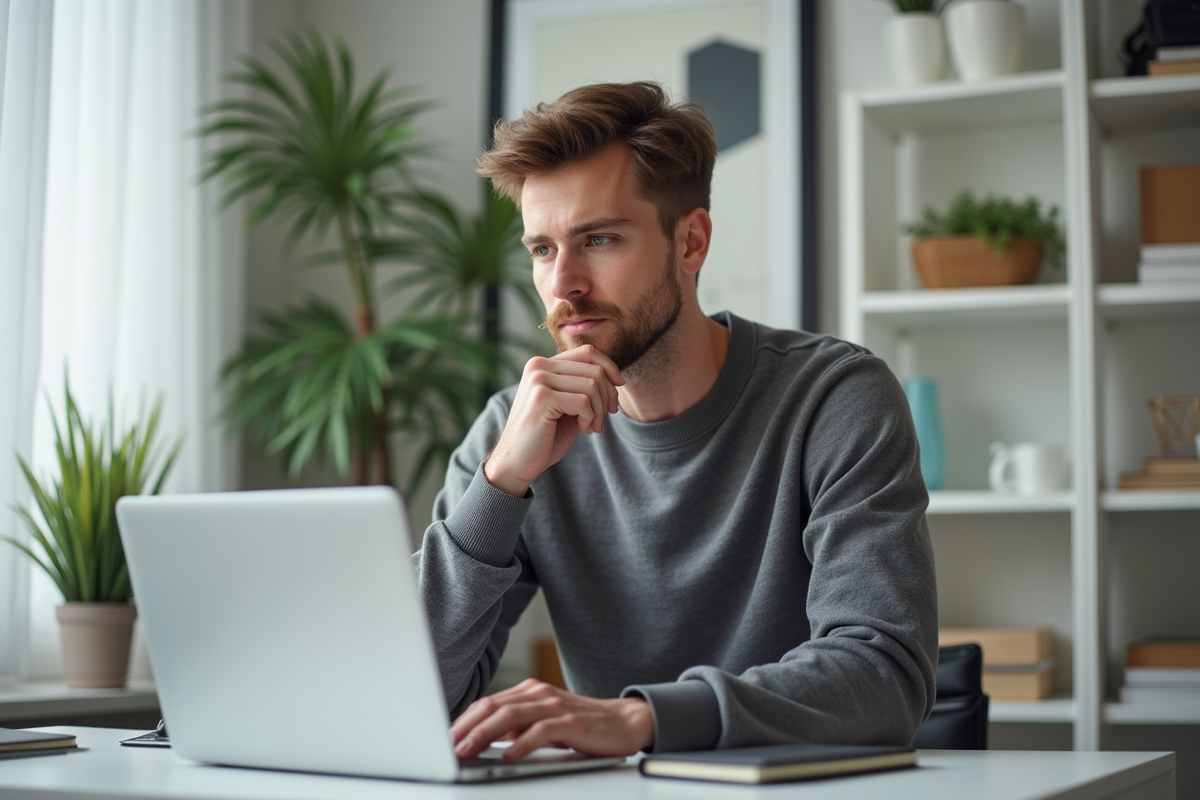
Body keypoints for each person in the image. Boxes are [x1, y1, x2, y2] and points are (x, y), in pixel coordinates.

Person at [414, 81, 937, 762]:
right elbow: (412, 695)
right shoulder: (513, 433)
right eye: (542, 249)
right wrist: (500, 483)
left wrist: (643, 720)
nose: (563, 285)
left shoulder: (834, 400)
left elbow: (883, 675)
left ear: (691, 242)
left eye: (598, 239)